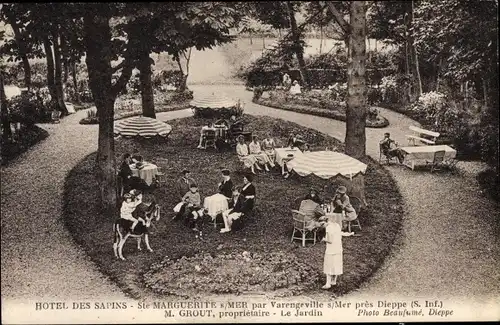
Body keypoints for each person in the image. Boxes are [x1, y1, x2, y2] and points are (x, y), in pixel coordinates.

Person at [321, 213, 354, 289]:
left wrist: (323, 239)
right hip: (338, 249)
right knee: (336, 265)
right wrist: (349, 234)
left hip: (331, 250)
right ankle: (334, 281)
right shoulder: (337, 226)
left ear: (327, 220)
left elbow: (329, 240)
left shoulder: (328, 227)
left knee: (328, 266)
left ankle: (328, 284)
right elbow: (341, 234)